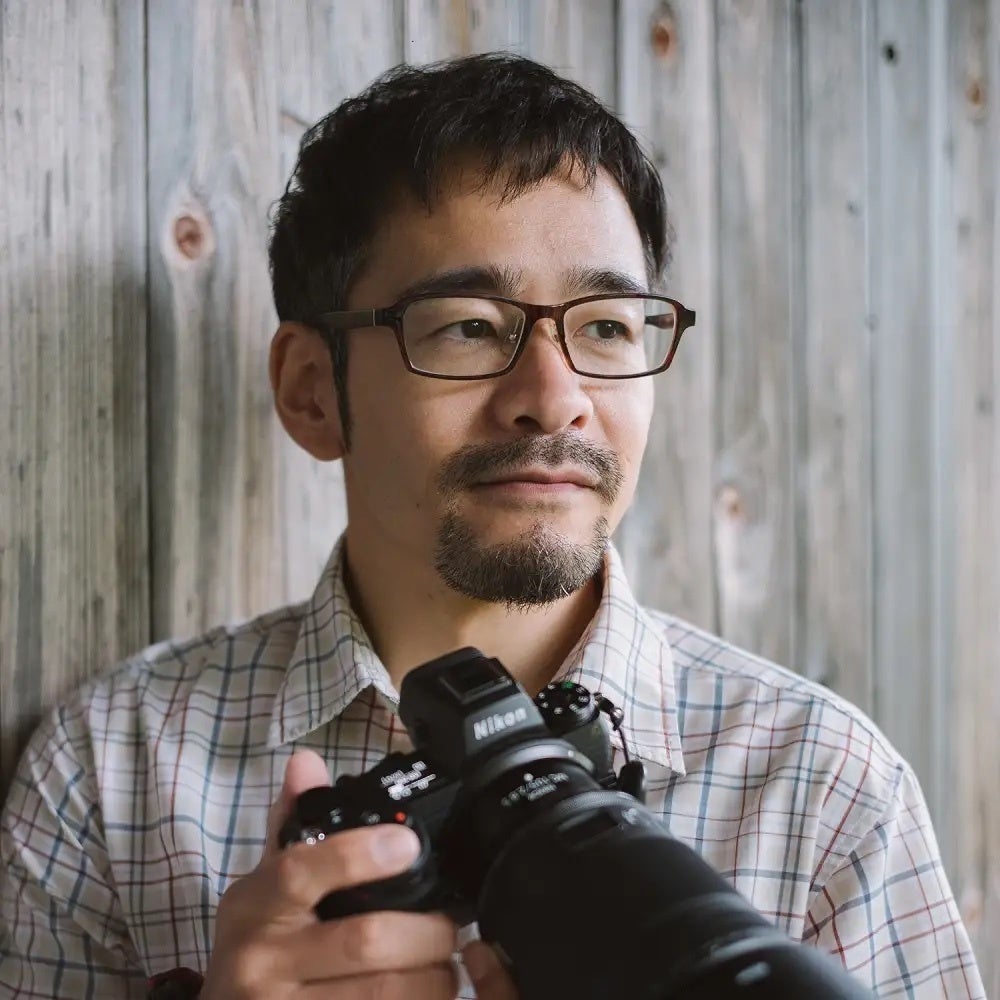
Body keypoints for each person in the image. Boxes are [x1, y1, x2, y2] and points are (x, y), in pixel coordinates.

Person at [0, 52, 985, 1000]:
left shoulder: (818, 787)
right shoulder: (115, 773)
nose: (554, 399)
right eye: (469, 325)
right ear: (311, 391)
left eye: (607, 326)